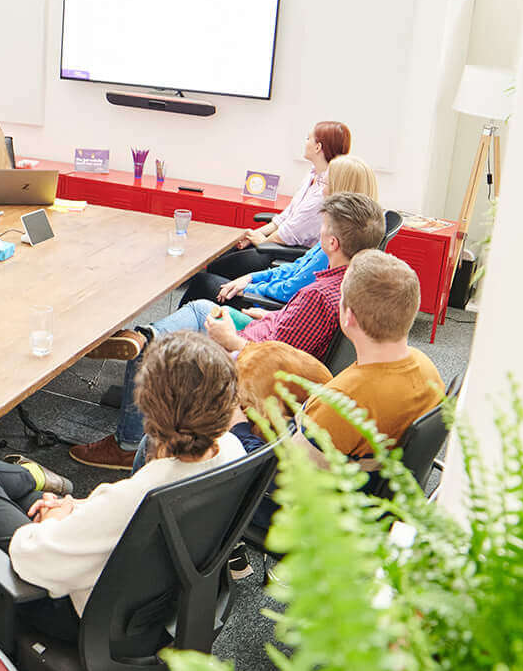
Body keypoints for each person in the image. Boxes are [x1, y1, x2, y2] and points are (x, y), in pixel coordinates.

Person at [0, 333, 244, 633]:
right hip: (166, 608)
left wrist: (52, 519)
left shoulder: (137, 498)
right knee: (25, 496)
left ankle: (29, 478)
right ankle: (32, 482)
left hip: (87, 621)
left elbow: (32, 560)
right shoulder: (232, 452)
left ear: (147, 409)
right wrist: (76, 507)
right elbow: (115, 517)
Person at [71, 194, 383, 469]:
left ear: (332, 243)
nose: (319, 233)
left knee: (160, 349)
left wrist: (230, 339)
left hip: (250, 356)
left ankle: (127, 442)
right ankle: (144, 338)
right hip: (264, 331)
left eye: (323, 228)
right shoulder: (349, 280)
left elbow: (273, 362)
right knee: (201, 308)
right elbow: (296, 332)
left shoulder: (317, 295)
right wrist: (274, 313)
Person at [236, 251, 444, 461]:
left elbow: (277, 475)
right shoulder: (428, 370)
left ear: (348, 316)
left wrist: (239, 427)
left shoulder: (340, 402)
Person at [183, 153, 378, 307]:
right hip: (270, 291)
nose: (321, 186)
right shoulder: (338, 230)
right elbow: (296, 268)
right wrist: (251, 278)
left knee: (202, 282)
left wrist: (250, 287)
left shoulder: (334, 246)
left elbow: (290, 289)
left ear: (340, 187)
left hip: (270, 307)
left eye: (325, 182)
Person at [199, 121, 353, 283]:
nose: (305, 142)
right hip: (277, 242)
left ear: (318, 147)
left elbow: (290, 233)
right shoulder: (313, 175)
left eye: (308, 139)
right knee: (224, 252)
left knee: (218, 267)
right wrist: (253, 234)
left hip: (288, 251)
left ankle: (220, 297)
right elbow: (287, 216)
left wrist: (261, 240)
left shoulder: (324, 191)